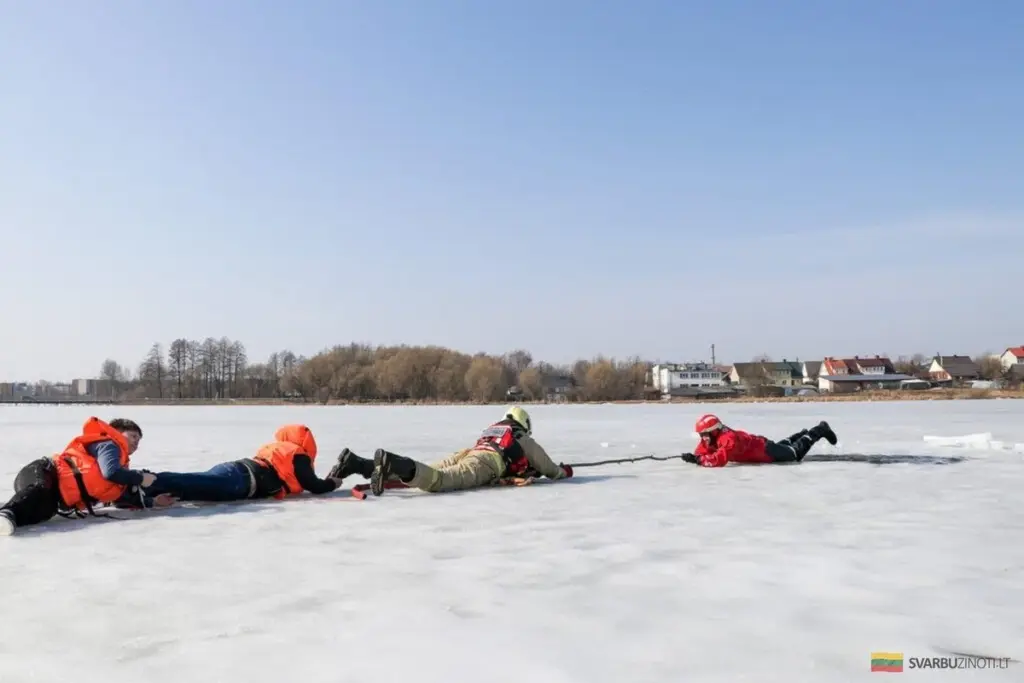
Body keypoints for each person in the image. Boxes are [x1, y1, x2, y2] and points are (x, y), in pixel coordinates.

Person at [0, 417, 172, 535]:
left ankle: (8, 518)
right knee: (40, 489)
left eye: (139, 440)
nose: (136, 442)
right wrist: (140, 478)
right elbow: (111, 472)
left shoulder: (121, 466)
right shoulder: (109, 444)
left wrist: (153, 502)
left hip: (56, 497)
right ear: (117, 432)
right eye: (133, 436)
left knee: (41, 513)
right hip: (43, 472)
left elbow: (119, 497)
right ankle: (7, 512)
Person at [363, 406, 573, 496]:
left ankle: (387, 470)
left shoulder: (497, 429)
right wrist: (563, 471)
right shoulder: (520, 436)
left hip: (468, 453)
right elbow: (546, 466)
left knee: (429, 470)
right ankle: (394, 462)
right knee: (439, 480)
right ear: (524, 424)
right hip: (486, 462)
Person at [142, 424, 347, 502]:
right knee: (193, 483)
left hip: (238, 475)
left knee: (191, 489)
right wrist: (333, 483)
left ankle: (146, 492)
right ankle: (145, 480)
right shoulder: (297, 454)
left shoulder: (279, 449)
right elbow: (313, 485)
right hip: (240, 479)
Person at [681, 414, 838, 468]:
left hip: (765, 451)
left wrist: (699, 460)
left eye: (705, 434)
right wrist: (696, 456)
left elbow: (720, 459)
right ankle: (800, 435)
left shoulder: (728, 439)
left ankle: (820, 429)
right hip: (760, 446)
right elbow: (702, 451)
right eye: (701, 435)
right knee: (784, 448)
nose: (703, 438)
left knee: (794, 454)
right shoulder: (711, 438)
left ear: (714, 430)